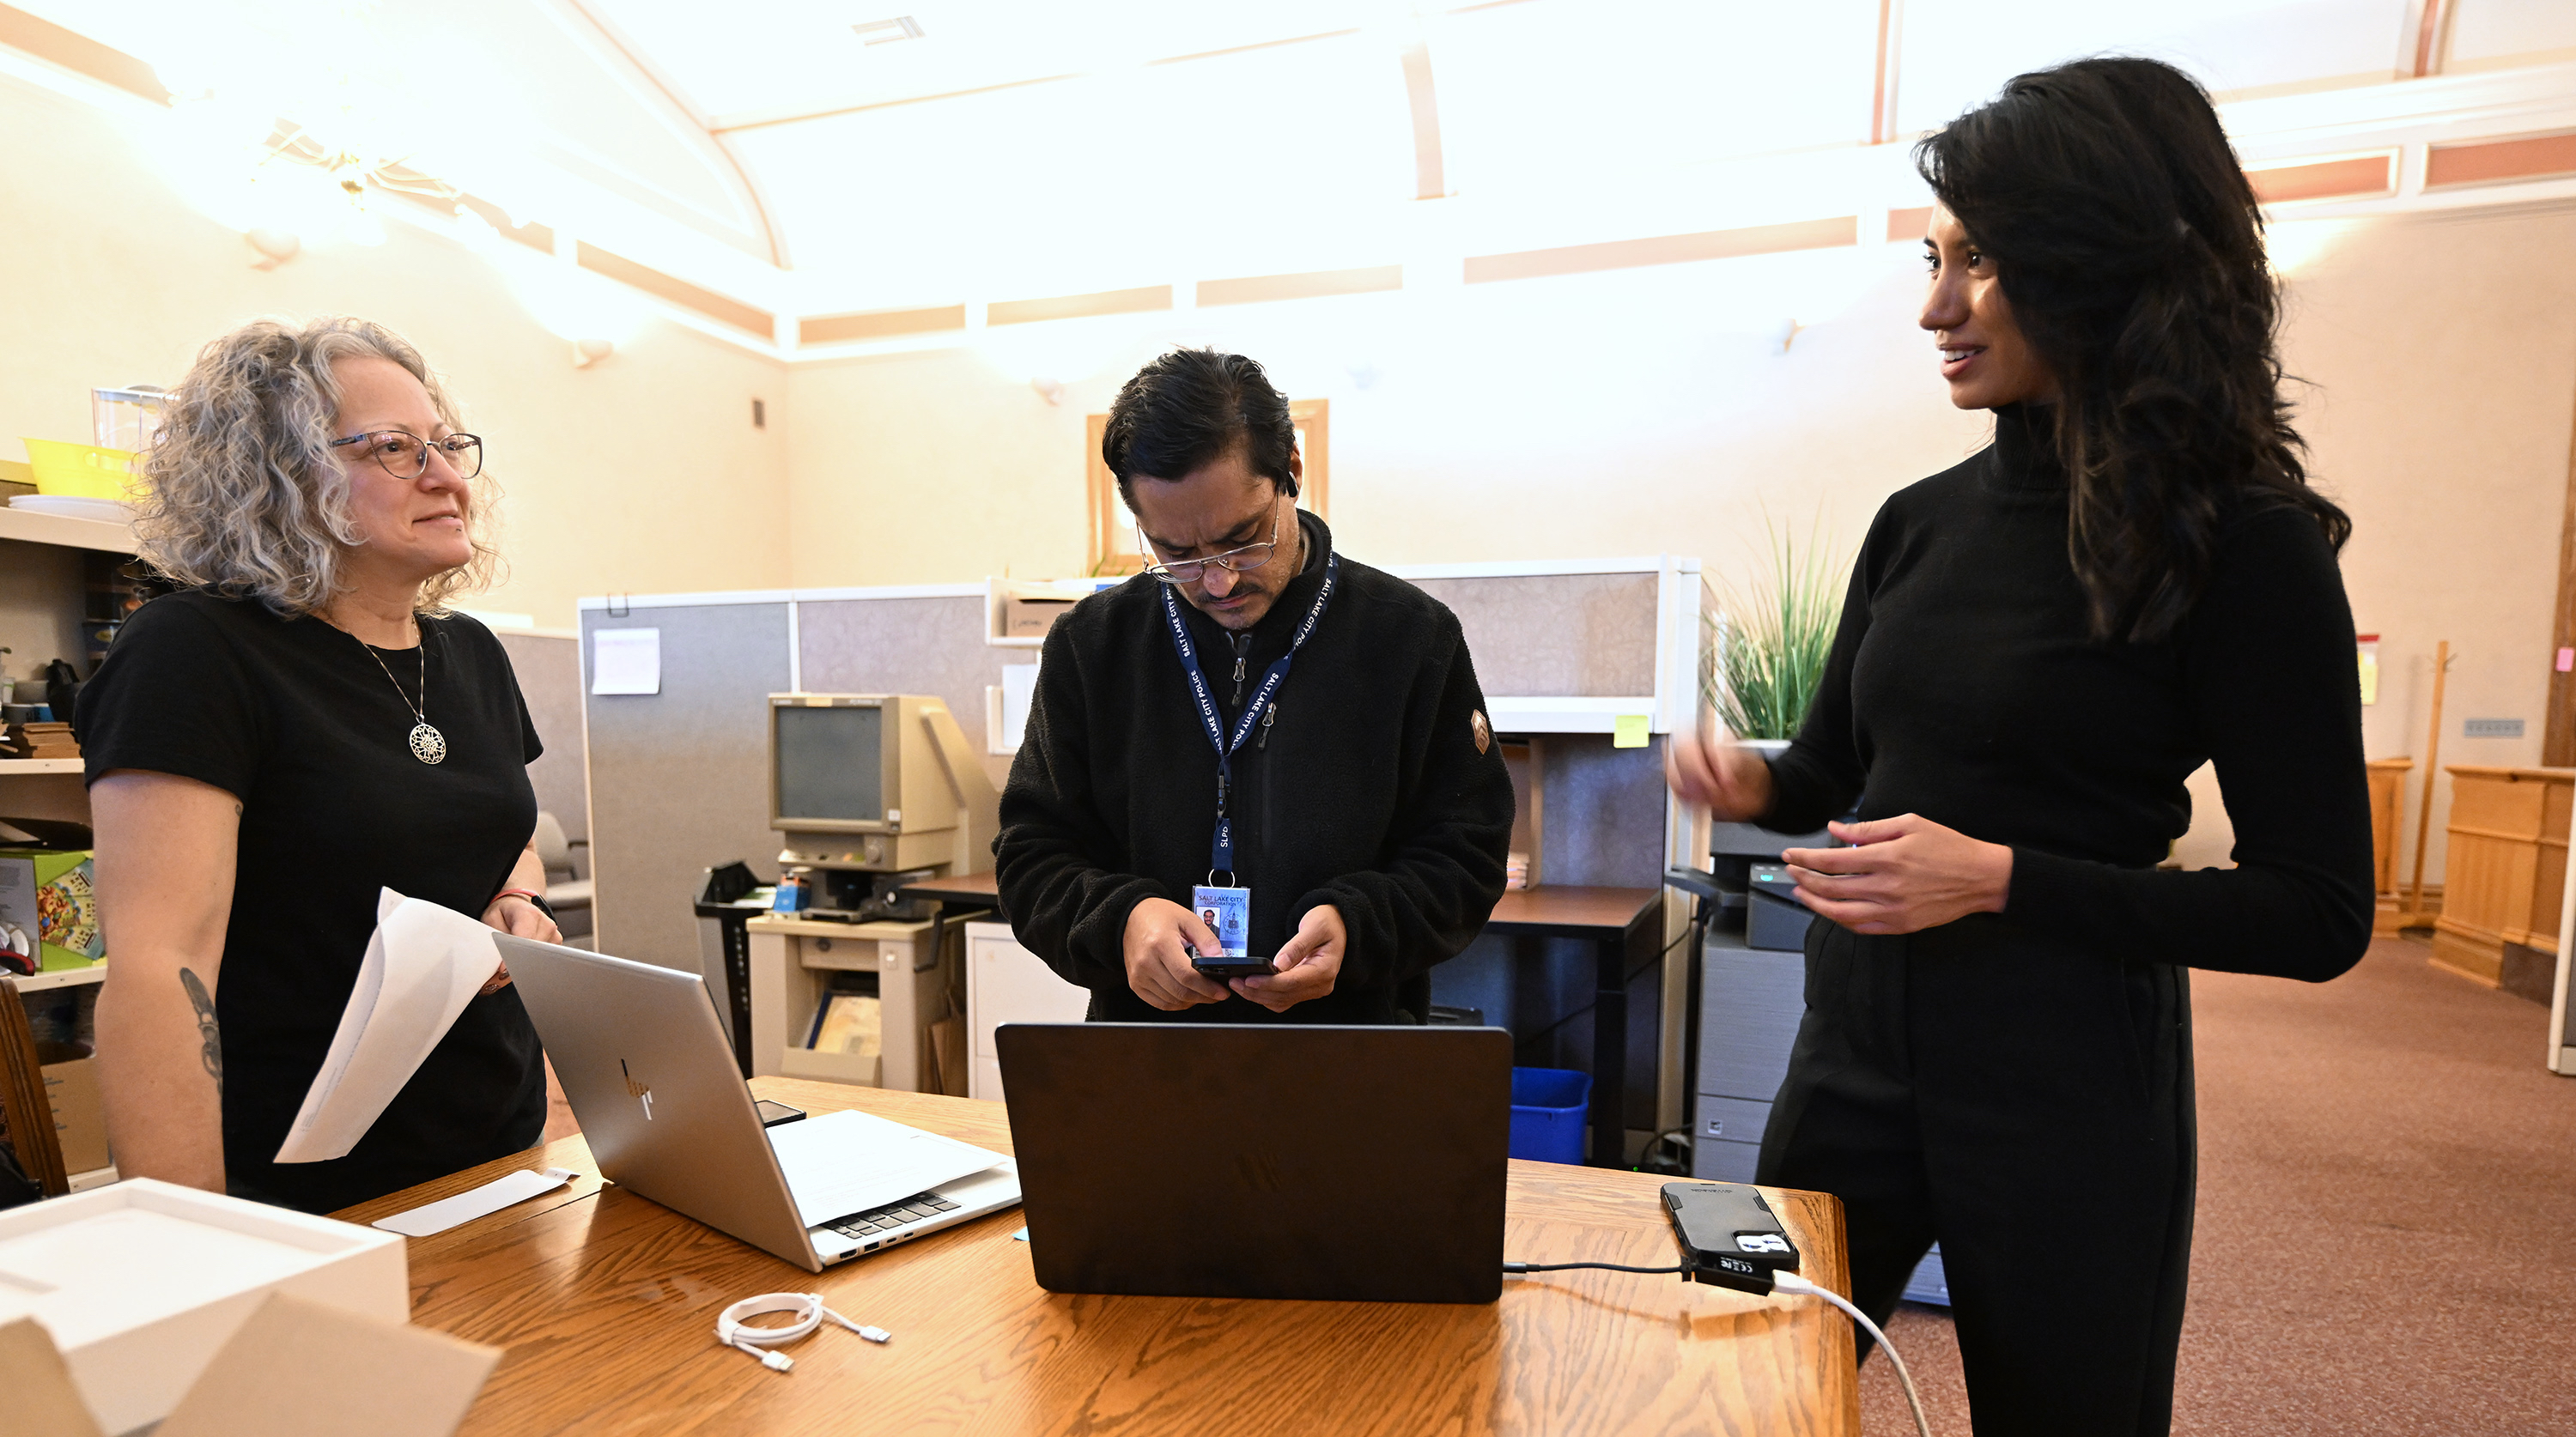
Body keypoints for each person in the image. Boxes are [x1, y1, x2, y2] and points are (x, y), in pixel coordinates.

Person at [1666, 59, 2372, 1435]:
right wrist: (1754, 780)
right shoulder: (1915, 521)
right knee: (1740, 1386)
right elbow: (1828, 777)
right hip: (1851, 1048)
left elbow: (2322, 911)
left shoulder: (2248, 546)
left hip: (2065, 1083)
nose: (1934, 308)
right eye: (1935, 260)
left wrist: (1999, 880)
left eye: (1980, 263)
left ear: (2106, 260)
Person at [79, 317, 566, 1214]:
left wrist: (521, 900)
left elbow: (504, 840)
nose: (448, 476)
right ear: (277, 475)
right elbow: (159, 970)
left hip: (498, 1154)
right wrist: (188, 1239)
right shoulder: (194, 652)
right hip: (300, 1197)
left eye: (447, 445)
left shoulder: (472, 657)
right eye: (394, 449)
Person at [995, 348, 1514, 1023]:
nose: (1218, 581)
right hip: (1148, 1064)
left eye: (1242, 540)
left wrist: (1357, 927)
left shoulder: (1410, 638)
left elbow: (1466, 855)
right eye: (1176, 555)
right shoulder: (1093, 647)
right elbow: (1032, 855)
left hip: (1350, 1059)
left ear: (1291, 473)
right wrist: (1122, 921)